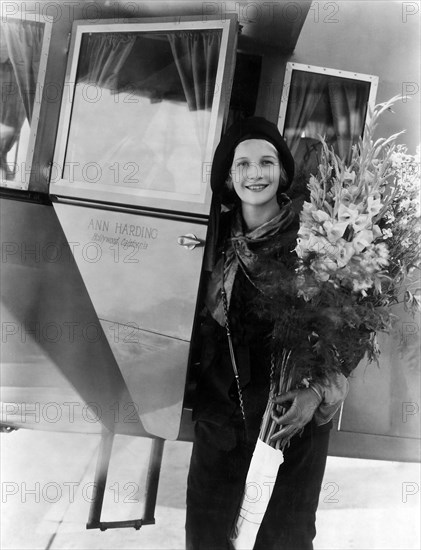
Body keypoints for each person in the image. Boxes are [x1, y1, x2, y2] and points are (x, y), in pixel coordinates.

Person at [185, 117, 353, 550]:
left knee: (285, 540)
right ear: (227, 176)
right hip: (222, 419)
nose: (254, 173)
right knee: (207, 539)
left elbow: (349, 329)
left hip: (288, 425)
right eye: (242, 164)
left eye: (266, 162)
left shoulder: (317, 238)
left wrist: (315, 394)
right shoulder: (210, 237)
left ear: (281, 172)